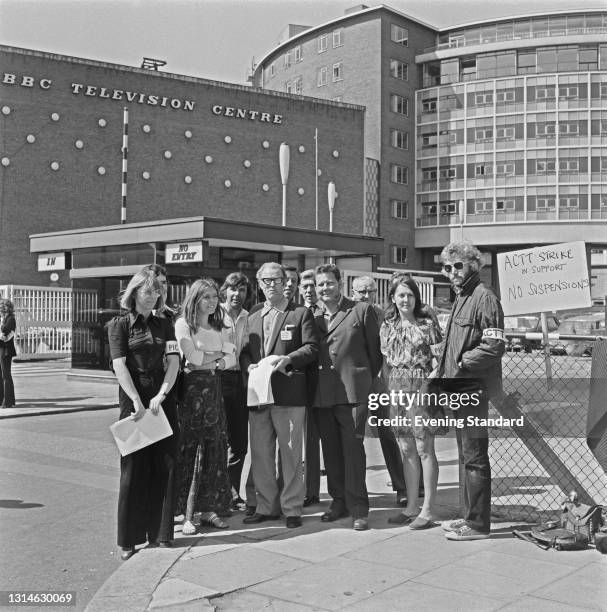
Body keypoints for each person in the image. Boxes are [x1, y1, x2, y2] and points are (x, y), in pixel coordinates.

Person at [107, 269, 180, 560]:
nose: (153, 296)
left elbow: (173, 362)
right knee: (134, 470)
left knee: (165, 464)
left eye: (156, 291)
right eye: (147, 291)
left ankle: (160, 533)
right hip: (133, 399)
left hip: (162, 399)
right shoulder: (120, 325)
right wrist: (137, 400)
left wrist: (162, 395)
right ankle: (129, 538)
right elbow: (119, 365)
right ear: (134, 293)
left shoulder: (167, 323)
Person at [240, 262, 319, 528]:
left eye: (275, 280)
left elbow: (311, 348)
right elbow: (244, 353)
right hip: (258, 396)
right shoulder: (252, 314)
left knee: (291, 454)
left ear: (284, 282)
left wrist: (290, 359)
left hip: (289, 394)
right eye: (266, 280)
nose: (271, 285)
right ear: (259, 283)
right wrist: (247, 366)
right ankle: (266, 507)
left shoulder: (300, 313)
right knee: (261, 454)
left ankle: (292, 508)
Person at [437, 241, 505, 541]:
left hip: (474, 387)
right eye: (447, 267)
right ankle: (468, 517)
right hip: (459, 387)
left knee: (475, 457)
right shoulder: (462, 296)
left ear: (474, 265)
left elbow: (494, 345)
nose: (452, 272)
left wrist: (464, 362)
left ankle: (478, 525)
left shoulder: (484, 296)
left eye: (458, 266)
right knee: (466, 455)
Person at [313, 264, 382, 531]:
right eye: (320, 284)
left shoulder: (360, 310)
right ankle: (338, 502)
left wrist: (361, 379)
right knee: (330, 452)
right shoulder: (313, 314)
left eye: (329, 283)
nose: (325, 288)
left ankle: (359, 508)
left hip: (353, 393)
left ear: (339, 283)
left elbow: (375, 354)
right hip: (323, 394)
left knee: (353, 451)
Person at [380, 274, 443, 529]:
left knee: (424, 447)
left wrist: (429, 388)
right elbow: (385, 362)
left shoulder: (428, 324)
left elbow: (439, 360)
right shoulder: (387, 326)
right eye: (400, 295)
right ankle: (411, 507)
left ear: (416, 297)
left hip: (422, 386)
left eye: (409, 294)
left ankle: (428, 509)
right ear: (393, 298)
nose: (405, 299)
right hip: (397, 387)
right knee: (405, 449)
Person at [174, 279, 235, 535]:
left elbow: (231, 359)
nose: (211, 302)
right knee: (192, 448)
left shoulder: (221, 325)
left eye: (214, 297)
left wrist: (214, 361)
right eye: (206, 297)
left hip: (215, 392)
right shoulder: (183, 324)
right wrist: (217, 357)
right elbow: (192, 359)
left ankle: (209, 509)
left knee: (214, 448)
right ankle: (187, 513)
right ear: (195, 298)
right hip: (191, 394)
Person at [351, 275, 408, 507]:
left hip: (380, 384)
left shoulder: (385, 315)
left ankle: (401, 486)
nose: (366, 296)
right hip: (355, 384)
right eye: (361, 292)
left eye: (370, 291)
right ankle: (354, 491)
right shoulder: (348, 313)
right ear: (353, 292)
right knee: (355, 438)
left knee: (388, 434)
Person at [219, 272, 251, 509]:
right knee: (218, 441)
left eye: (242, 290)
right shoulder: (213, 314)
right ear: (225, 291)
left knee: (239, 442)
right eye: (233, 289)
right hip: (216, 379)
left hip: (239, 380)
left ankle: (232, 493)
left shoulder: (247, 318)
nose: (237, 295)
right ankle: (215, 495)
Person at [300, 269, 322, 507]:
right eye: (304, 286)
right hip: (304, 383)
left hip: (329, 383)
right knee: (308, 441)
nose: (309, 290)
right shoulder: (297, 313)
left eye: (312, 285)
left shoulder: (326, 312)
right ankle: (310, 491)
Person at [0, 298, 17, 408]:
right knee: (1, 375)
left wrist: (1, 322)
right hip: (1, 348)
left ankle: (8, 401)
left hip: (6, 351)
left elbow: (5, 330)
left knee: (6, 375)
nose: (2, 309)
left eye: (4, 307)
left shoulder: (10, 318)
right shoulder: (4, 318)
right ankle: (2, 399)